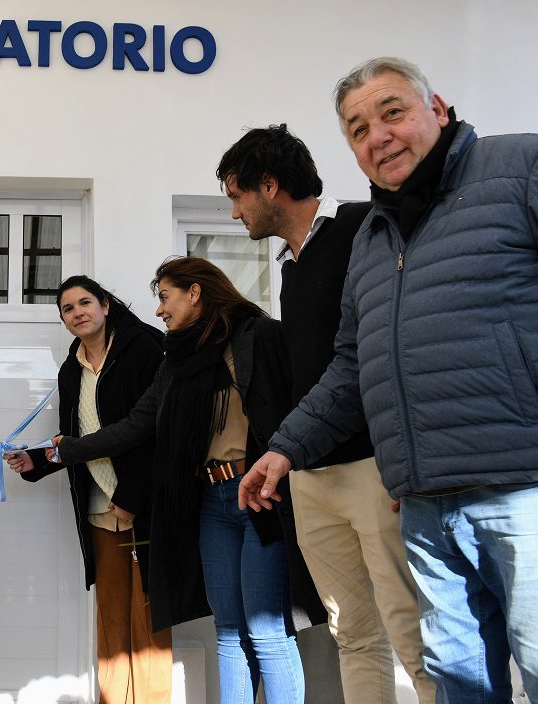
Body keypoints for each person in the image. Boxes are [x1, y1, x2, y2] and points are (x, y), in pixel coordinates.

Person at [239, 56, 538, 702]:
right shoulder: (377, 237)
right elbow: (353, 364)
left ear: (439, 110)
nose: (376, 135)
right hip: (422, 495)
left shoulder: (517, 169)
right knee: (452, 671)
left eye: (393, 112)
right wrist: (285, 448)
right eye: (357, 128)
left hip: (510, 489)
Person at [217, 125, 434, 704]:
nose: (236, 214)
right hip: (310, 476)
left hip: (375, 469)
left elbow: (391, 352)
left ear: (270, 185)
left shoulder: (365, 227)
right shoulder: (289, 265)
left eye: (238, 197)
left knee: (413, 630)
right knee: (354, 635)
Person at [53, 257, 323, 704]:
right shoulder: (176, 360)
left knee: (268, 630)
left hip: (259, 497)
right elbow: (139, 424)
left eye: (164, 296)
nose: (159, 309)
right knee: (229, 630)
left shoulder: (259, 336)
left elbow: (298, 408)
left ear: (193, 293)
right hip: (211, 502)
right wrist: (64, 449)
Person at [6, 275, 171, 703]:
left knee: (149, 622)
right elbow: (73, 439)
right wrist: (36, 462)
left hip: (143, 505)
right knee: (111, 618)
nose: (77, 312)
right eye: (67, 308)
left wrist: (133, 497)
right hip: (99, 508)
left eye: (85, 303)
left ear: (105, 306)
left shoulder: (144, 348)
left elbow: (155, 430)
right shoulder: (69, 369)